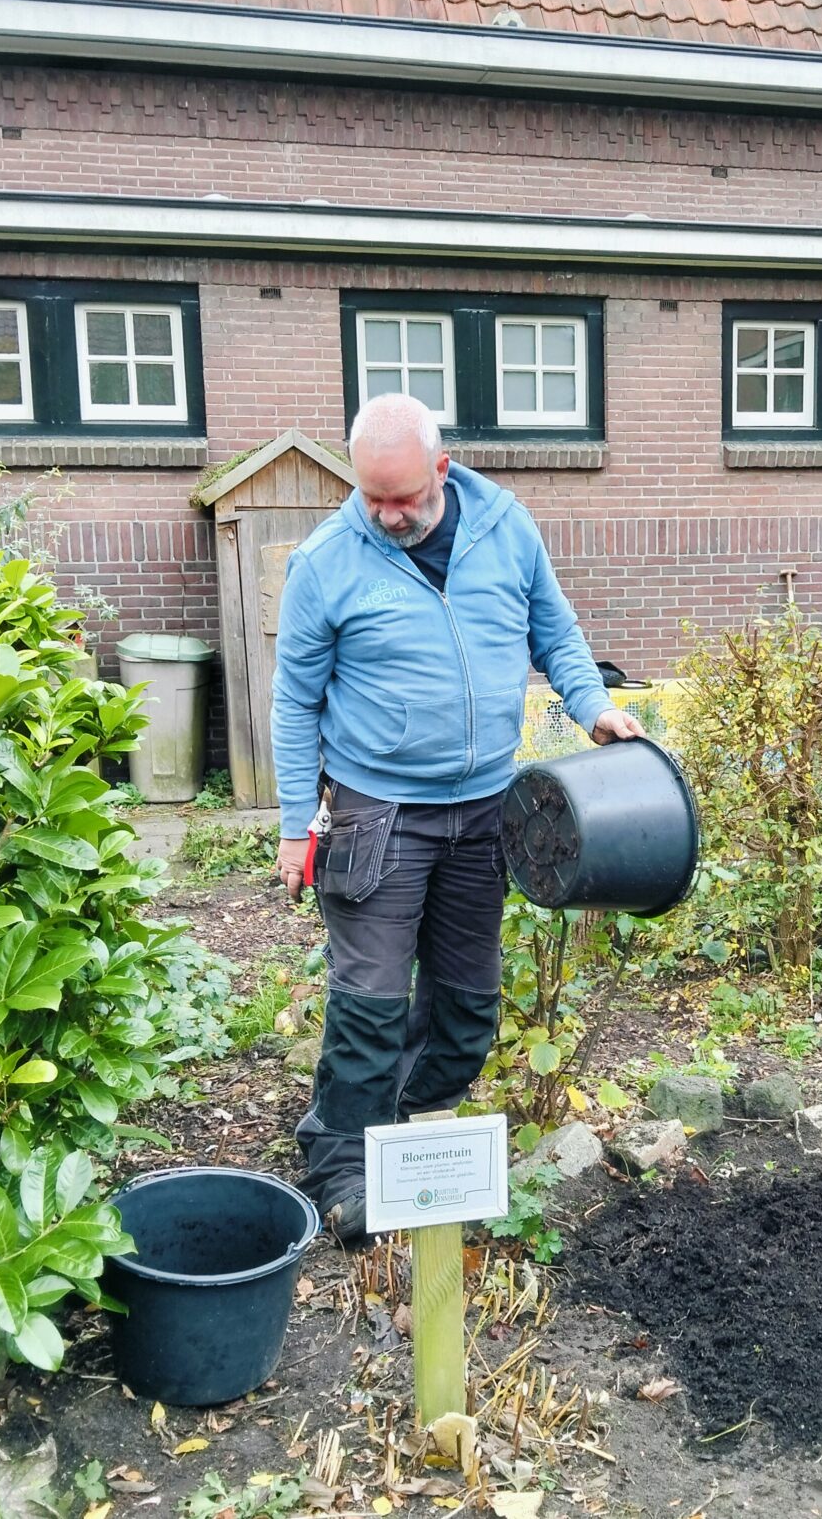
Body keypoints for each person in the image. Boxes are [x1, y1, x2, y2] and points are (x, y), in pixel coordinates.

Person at [271, 392, 646, 1247]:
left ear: (442, 470)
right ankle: (341, 1170)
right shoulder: (327, 561)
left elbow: (555, 629)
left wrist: (595, 708)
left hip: (484, 806)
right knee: (368, 1004)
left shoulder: (505, 528)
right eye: (372, 498)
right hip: (378, 815)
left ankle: (402, 1136)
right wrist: (299, 826)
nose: (387, 515)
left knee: (467, 1009)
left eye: (403, 497)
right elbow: (293, 702)